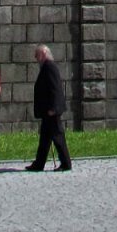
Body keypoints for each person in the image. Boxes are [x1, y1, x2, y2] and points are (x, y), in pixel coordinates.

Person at [26, 44, 72, 172]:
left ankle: (66, 163)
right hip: (48, 110)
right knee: (45, 139)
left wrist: (54, 108)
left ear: (44, 53)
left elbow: (55, 89)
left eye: (37, 54)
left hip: (52, 110)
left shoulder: (49, 66)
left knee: (58, 137)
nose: (35, 57)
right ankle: (39, 163)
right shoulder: (46, 67)